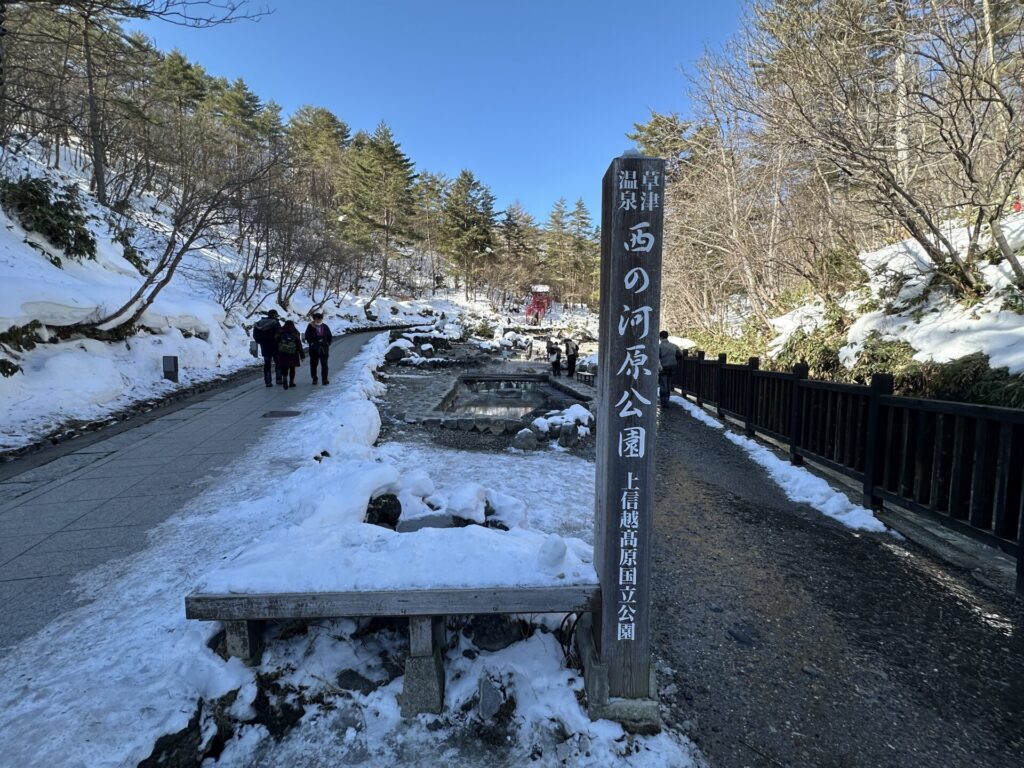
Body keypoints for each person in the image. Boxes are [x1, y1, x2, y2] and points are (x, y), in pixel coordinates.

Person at [252, 309, 281, 387]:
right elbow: (280, 334)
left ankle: (268, 382)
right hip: (275, 346)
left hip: (265, 347)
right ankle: (279, 379)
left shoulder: (259, 323)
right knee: (278, 363)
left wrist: (260, 341)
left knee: (267, 364)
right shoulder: (276, 323)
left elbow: (255, 335)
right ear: (274, 315)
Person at [304, 312, 333, 385]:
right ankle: (314, 378)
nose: (319, 320)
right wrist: (312, 343)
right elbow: (307, 336)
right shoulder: (310, 326)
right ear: (314, 319)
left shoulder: (325, 326)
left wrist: (327, 344)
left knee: (324, 364)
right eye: (317, 319)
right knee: (313, 364)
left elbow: (329, 336)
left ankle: (324, 379)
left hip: (324, 348)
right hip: (314, 349)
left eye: (320, 319)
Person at [275, 320, 305, 390]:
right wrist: (302, 355)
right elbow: (299, 344)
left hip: (282, 353)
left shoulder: (280, 330)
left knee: (284, 367)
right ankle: (291, 382)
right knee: (292, 368)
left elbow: (276, 342)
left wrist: (276, 352)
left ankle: (285, 378)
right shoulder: (295, 331)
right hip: (293, 353)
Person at [658, 330, 682, 406]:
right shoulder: (674, 346)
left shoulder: (659, 346)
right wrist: (674, 361)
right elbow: (680, 355)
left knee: (663, 384)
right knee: (668, 384)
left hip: (663, 367)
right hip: (672, 367)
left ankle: (664, 402)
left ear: (661, 337)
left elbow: (656, 357)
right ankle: (667, 399)